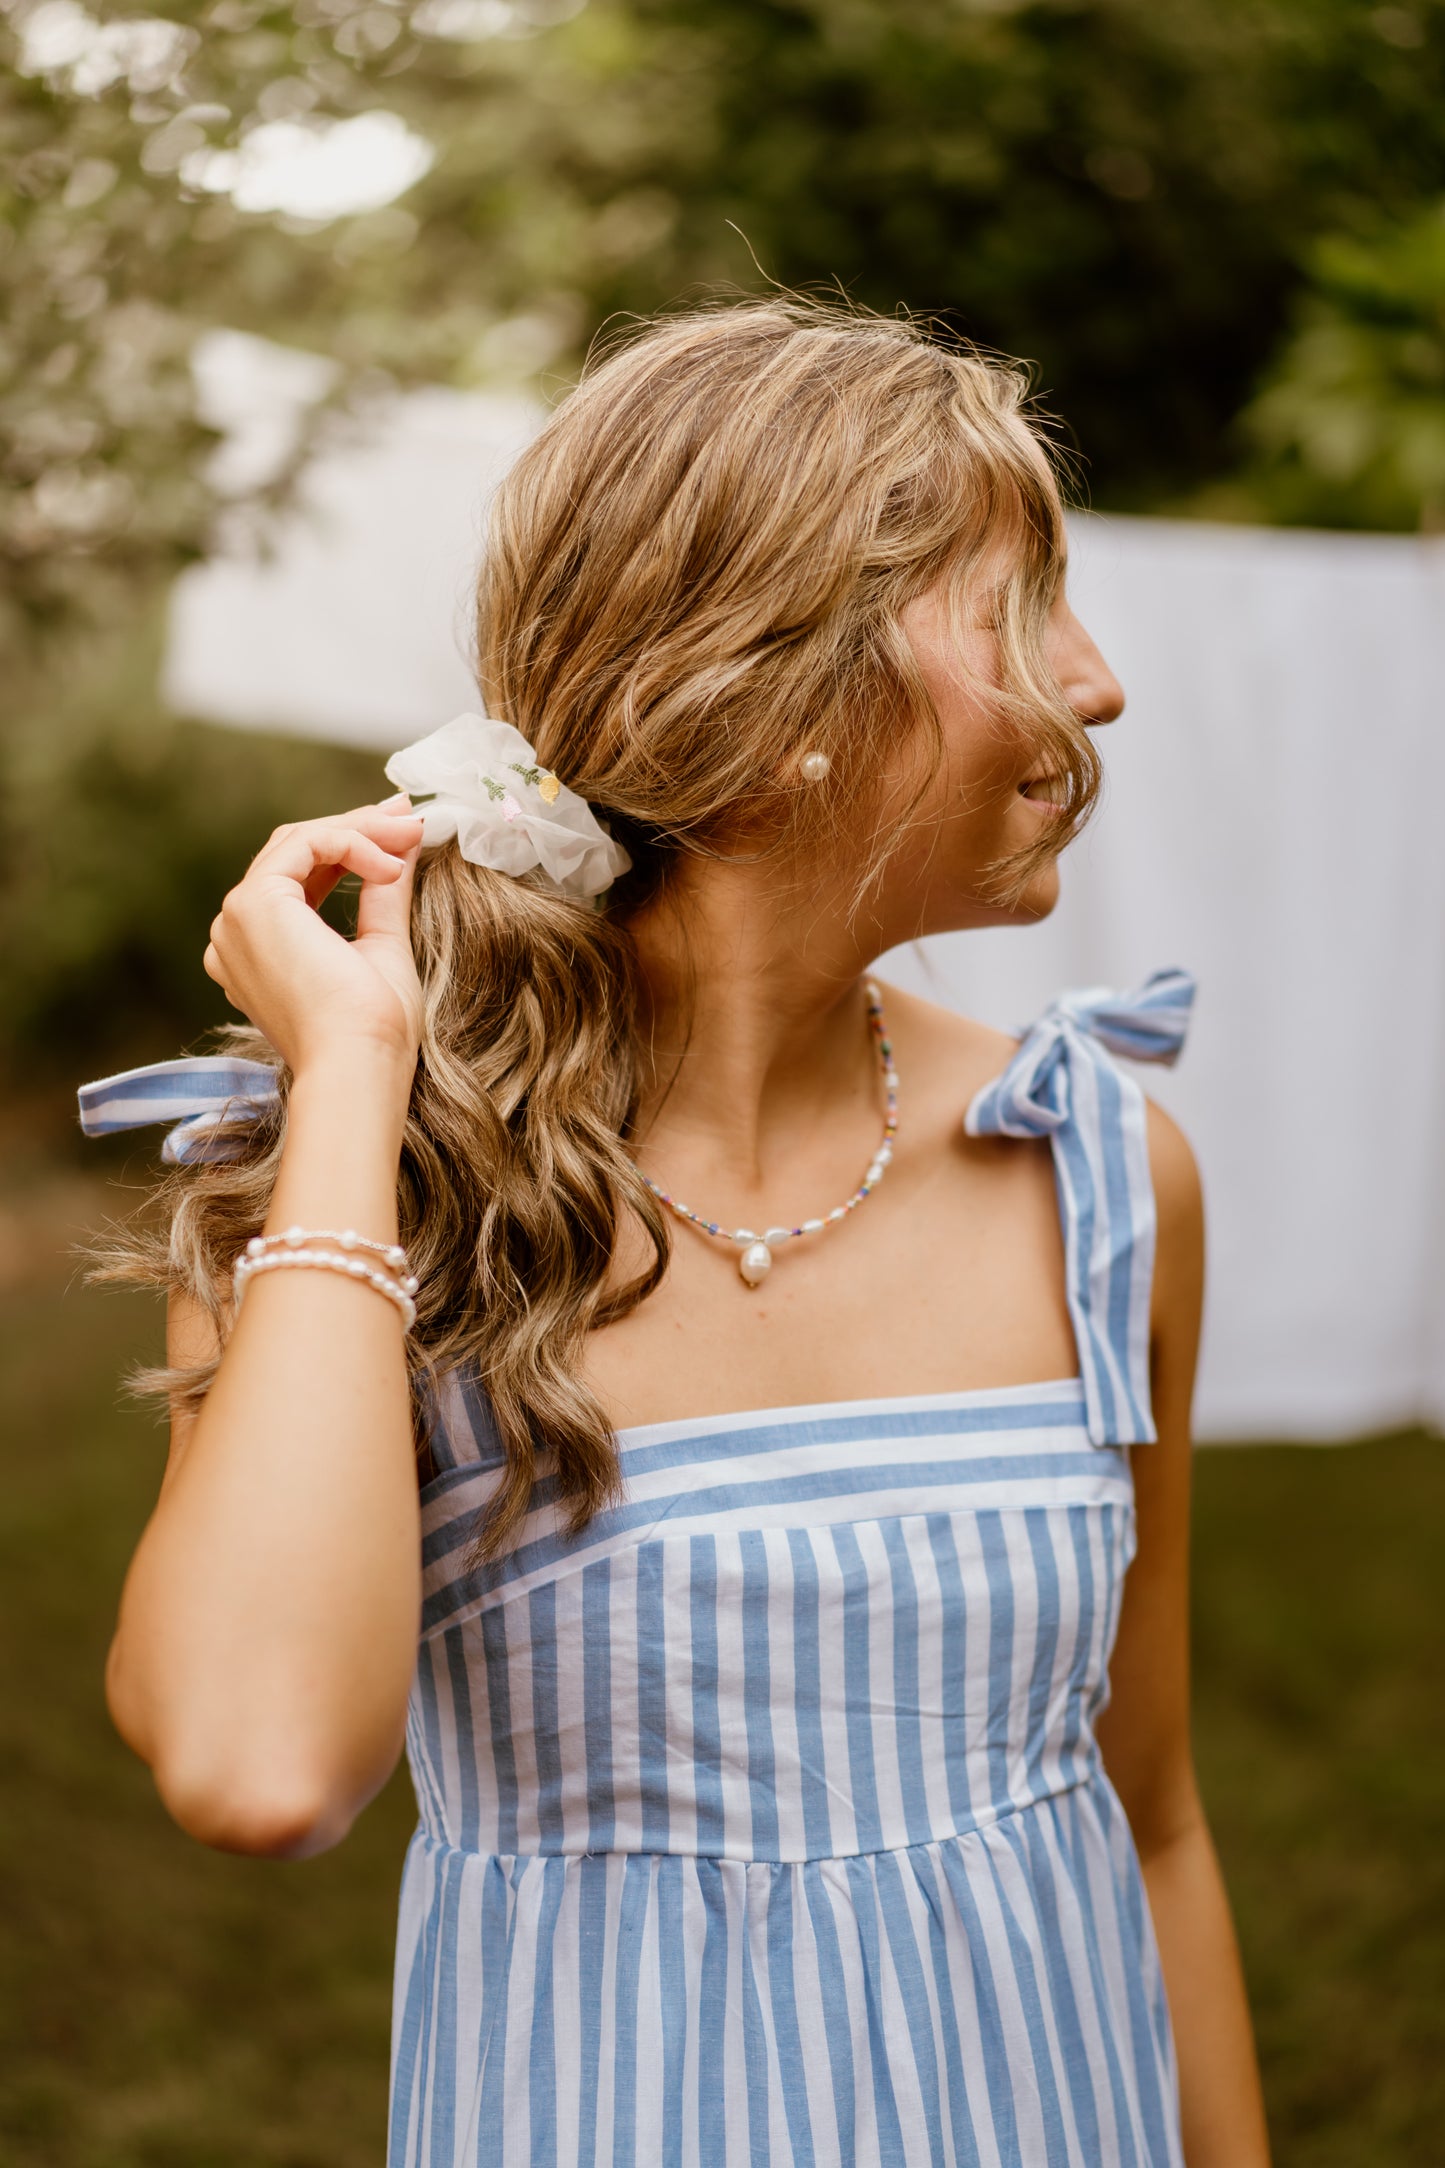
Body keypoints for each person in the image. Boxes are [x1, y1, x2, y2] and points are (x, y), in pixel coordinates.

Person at [82, 301, 1271, 2167]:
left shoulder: (1098, 1162)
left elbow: (1155, 1813)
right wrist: (353, 1085)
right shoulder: (366, 1188)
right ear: (774, 708)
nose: (1097, 683)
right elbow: (255, 1760)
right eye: (1019, 607)